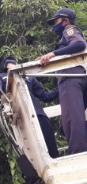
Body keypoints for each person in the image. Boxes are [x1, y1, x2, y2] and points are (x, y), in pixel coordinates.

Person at [36, 8, 87, 154]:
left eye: (56, 21)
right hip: (79, 75)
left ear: (66, 20)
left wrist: (53, 54)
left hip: (70, 77)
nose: (54, 25)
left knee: (72, 117)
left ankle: (77, 154)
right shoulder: (67, 34)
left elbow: (80, 44)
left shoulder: (69, 29)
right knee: (66, 124)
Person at [0, 56, 59, 158]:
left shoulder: (28, 77)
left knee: (51, 147)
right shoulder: (1, 77)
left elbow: (45, 96)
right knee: (32, 152)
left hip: (39, 115)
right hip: (21, 119)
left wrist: (62, 87)